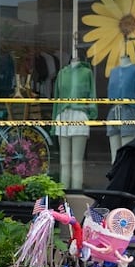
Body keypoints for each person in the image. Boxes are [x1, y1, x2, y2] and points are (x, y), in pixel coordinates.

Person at [53, 54, 96, 188]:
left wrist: (92, 113)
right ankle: (63, 193)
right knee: (64, 162)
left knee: (77, 162)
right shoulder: (62, 73)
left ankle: (77, 192)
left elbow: (92, 95)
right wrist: (54, 121)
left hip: (79, 115)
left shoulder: (87, 72)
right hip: (63, 116)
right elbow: (57, 98)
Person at [106, 50, 135, 161]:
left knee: (128, 152)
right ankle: (116, 177)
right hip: (114, 111)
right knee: (115, 154)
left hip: (130, 110)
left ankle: (128, 177)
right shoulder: (113, 71)